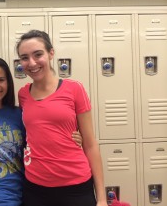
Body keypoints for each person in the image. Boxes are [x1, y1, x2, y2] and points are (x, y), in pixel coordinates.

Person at [0, 57, 83, 206]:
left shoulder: (20, 114)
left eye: (0, 80)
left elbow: (41, 139)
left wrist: (73, 138)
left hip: (30, 193)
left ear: (8, 83)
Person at [16, 30, 108, 206]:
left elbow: (90, 144)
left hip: (75, 186)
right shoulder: (23, 94)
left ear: (51, 53)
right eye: (24, 57)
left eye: (38, 54)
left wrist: (102, 198)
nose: (32, 63)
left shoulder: (74, 89)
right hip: (35, 187)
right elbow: (32, 133)